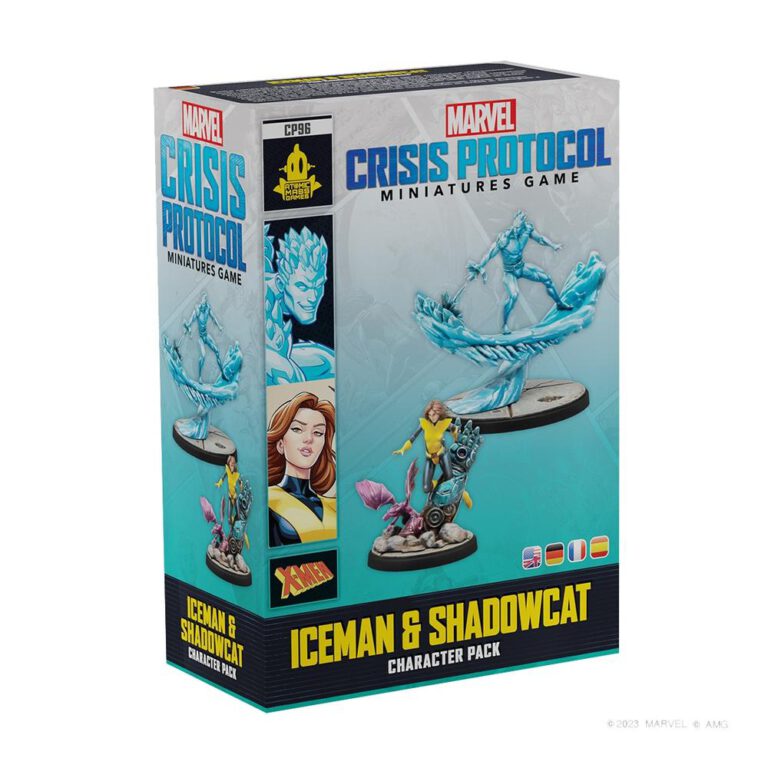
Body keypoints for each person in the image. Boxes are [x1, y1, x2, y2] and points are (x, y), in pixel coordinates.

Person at [267, 392, 337, 546]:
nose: (309, 439)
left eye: (318, 433)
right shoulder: (267, 500)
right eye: (297, 429)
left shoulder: (334, 505)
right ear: (280, 444)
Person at [394, 400, 458, 493]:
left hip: (442, 454)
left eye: (434, 415)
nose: (432, 417)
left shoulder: (444, 423)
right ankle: (436, 484)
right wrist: (403, 449)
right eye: (430, 415)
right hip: (430, 457)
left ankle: (449, 482)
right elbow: (413, 437)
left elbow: (454, 429)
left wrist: (455, 439)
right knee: (426, 488)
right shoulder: (424, 424)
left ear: (439, 414)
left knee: (450, 480)